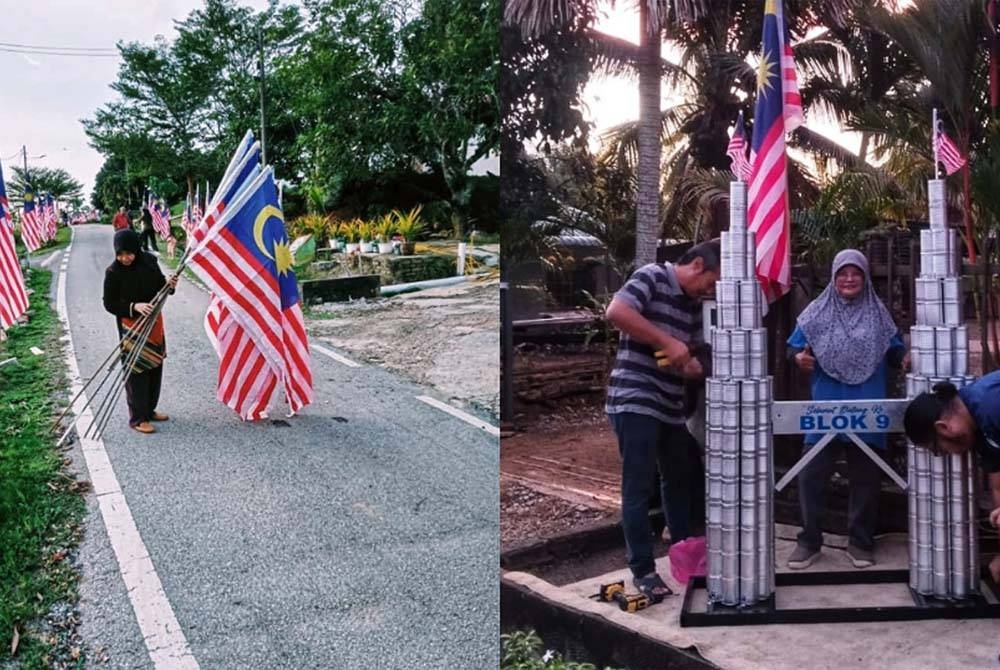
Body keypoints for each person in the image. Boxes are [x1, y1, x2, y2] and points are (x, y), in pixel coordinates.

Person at [605, 240, 720, 600]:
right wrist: (666, 341)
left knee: (680, 475)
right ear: (697, 265)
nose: (711, 291)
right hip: (635, 398)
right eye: (712, 282)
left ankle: (684, 552)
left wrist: (691, 365)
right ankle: (643, 570)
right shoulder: (652, 277)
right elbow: (617, 312)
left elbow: (696, 362)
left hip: (670, 406)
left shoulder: (693, 306)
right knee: (638, 486)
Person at [786, 249, 909, 570]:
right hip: (826, 409)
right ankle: (809, 541)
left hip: (867, 409)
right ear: (834, 277)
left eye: (856, 273)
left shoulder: (879, 315)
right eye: (843, 273)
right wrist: (798, 358)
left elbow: (895, 351)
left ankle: (860, 542)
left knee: (866, 479)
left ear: (865, 277)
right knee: (810, 476)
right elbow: (794, 347)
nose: (849, 278)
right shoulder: (816, 312)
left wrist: (908, 359)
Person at [904, 370, 1000, 581]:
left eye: (939, 450)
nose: (949, 454)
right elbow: (997, 487)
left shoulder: (992, 406)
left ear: (943, 428)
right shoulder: (980, 430)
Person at [102, 230, 178, 434]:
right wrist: (133, 306)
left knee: (155, 366)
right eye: (120, 254)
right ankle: (137, 418)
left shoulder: (149, 262)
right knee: (136, 371)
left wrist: (170, 286)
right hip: (131, 327)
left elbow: (161, 287)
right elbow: (109, 304)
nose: (124, 258)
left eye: (129, 253)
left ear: (136, 249)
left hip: (153, 324)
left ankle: (149, 410)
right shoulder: (113, 272)